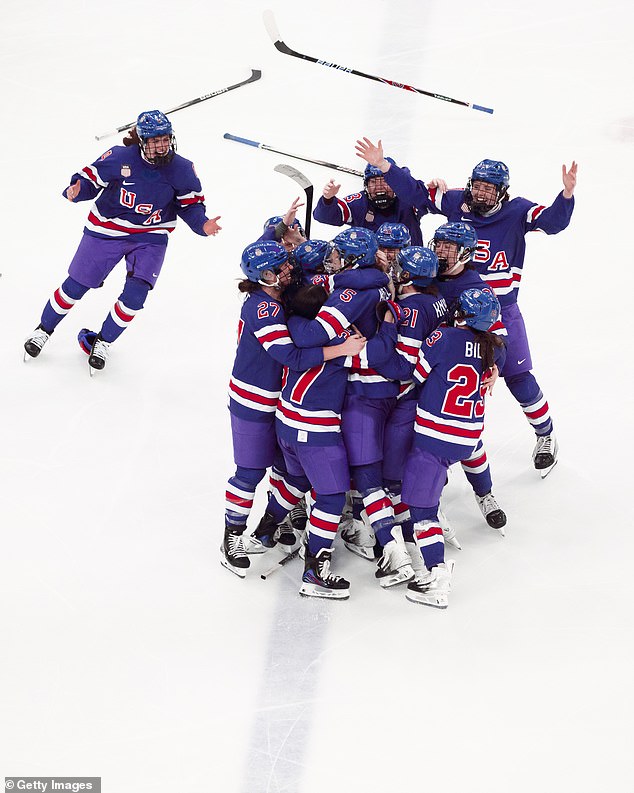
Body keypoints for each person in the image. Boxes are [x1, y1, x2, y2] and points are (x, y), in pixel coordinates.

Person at [355, 137, 577, 477]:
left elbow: (553, 222)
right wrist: (385, 167)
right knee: (431, 377)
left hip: (499, 308)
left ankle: (545, 433)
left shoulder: (517, 210)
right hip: (449, 301)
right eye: (479, 186)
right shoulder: (457, 201)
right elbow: (415, 193)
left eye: (490, 189)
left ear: (502, 192)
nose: (482, 194)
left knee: (517, 375)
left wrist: (565, 196)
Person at [23, 110, 221, 373]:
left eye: (165, 139)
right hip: (106, 229)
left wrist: (202, 224)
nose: (161, 147)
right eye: (154, 141)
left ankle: (103, 341)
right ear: (141, 141)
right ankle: (43, 330)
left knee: (135, 296)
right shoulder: (118, 157)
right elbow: (89, 180)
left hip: (151, 235)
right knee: (75, 286)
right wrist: (77, 190)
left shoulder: (183, 168)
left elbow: (190, 204)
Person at [222, 241, 364, 578]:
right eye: (278, 269)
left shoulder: (278, 296)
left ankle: (277, 522)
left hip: (282, 403)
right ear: (263, 277)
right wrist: (341, 349)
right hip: (253, 401)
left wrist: (286, 230)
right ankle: (232, 535)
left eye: (285, 265)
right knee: (250, 473)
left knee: (288, 470)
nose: (287, 271)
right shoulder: (262, 308)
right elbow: (292, 357)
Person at [402, 288, 506, 609]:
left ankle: (436, 574)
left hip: (435, 437)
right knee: (472, 454)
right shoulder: (494, 348)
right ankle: (485, 494)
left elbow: (415, 376)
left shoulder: (442, 337)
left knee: (421, 511)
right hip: (468, 437)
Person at [313, 161, 426, 245]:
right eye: (373, 182)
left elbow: (432, 202)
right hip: (371, 270)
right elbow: (325, 216)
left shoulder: (409, 199)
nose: (379, 187)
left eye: (385, 181)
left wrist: (437, 189)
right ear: (366, 185)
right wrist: (328, 199)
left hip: (410, 268)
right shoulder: (359, 202)